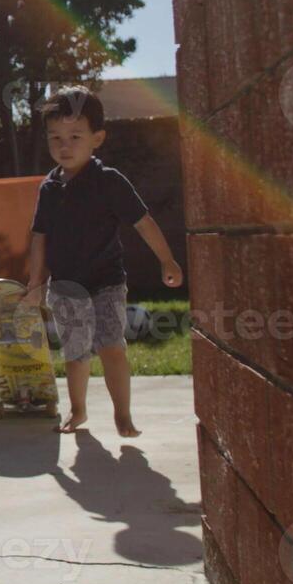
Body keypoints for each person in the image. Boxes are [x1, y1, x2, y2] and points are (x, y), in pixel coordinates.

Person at [22, 86, 183, 437]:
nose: (64, 146)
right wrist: (36, 285)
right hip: (65, 286)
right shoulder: (48, 190)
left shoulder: (109, 182)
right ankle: (77, 411)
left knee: (112, 347)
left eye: (75, 136)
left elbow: (143, 221)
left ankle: (122, 415)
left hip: (106, 283)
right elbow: (39, 238)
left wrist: (167, 260)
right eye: (56, 138)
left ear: (97, 139)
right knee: (76, 354)